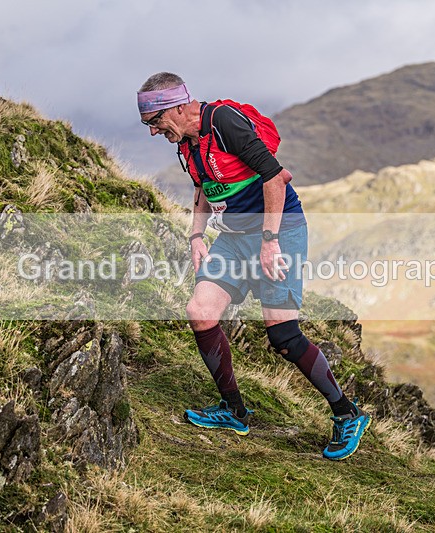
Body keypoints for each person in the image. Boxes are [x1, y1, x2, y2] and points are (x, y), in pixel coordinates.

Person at [137, 72, 370, 460]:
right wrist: (197, 237)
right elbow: (202, 188)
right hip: (233, 237)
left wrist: (269, 240)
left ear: (177, 106)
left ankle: (347, 414)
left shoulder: (224, 122)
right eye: (148, 125)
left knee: (283, 336)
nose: (153, 132)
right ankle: (234, 411)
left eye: (155, 122)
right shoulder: (189, 143)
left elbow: (277, 178)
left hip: (278, 231)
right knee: (200, 312)